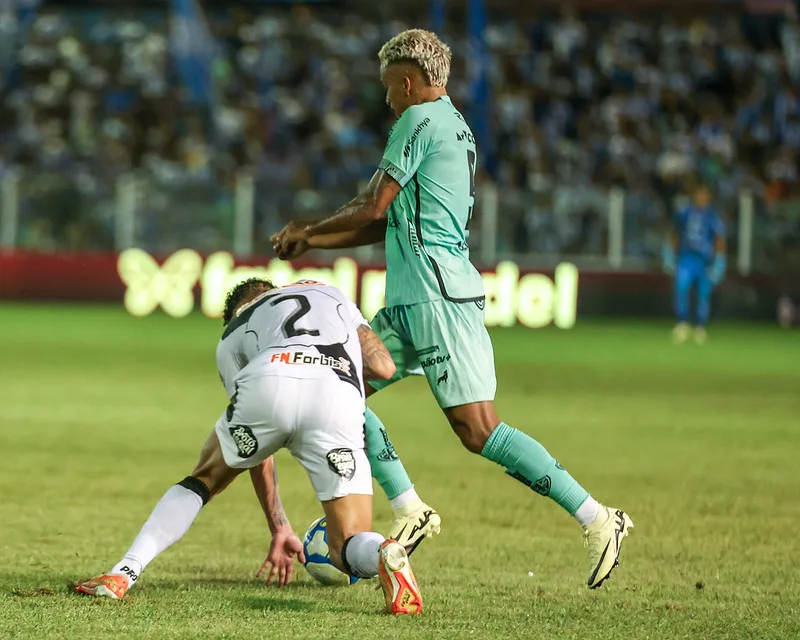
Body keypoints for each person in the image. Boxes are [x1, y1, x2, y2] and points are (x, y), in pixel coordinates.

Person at [271, 29, 633, 589]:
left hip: (438, 298)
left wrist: (307, 227)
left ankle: (598, 518)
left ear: (409, 82)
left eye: (390, 87)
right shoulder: (453, 124)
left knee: (478, 430)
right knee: (337, 392)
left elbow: (373, 202)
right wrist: (315, 242)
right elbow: (380, 221)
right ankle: (411, 506)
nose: (387, 98)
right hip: (414, 298)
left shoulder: (417, 120)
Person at [76, 278, 423, 615]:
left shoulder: (232, 333)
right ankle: (384, 551)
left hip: (272, 377)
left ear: (237, 311)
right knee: (346, 542)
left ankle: (122, 573)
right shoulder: (330, 293)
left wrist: (279, 526)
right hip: (337, 392)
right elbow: (383, 366)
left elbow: (257, 453)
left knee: (203, 480)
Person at [662, 184, 727, 344]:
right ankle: (682, 323)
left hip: (704, 260)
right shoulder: (684, 213)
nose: (702, 198)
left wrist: (719, 261)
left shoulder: (712, 217)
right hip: (686, 257)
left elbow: (719, 239)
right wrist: (669, 253)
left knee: (703, 293)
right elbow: (674, 232)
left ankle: (700, 326)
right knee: (682, 287)